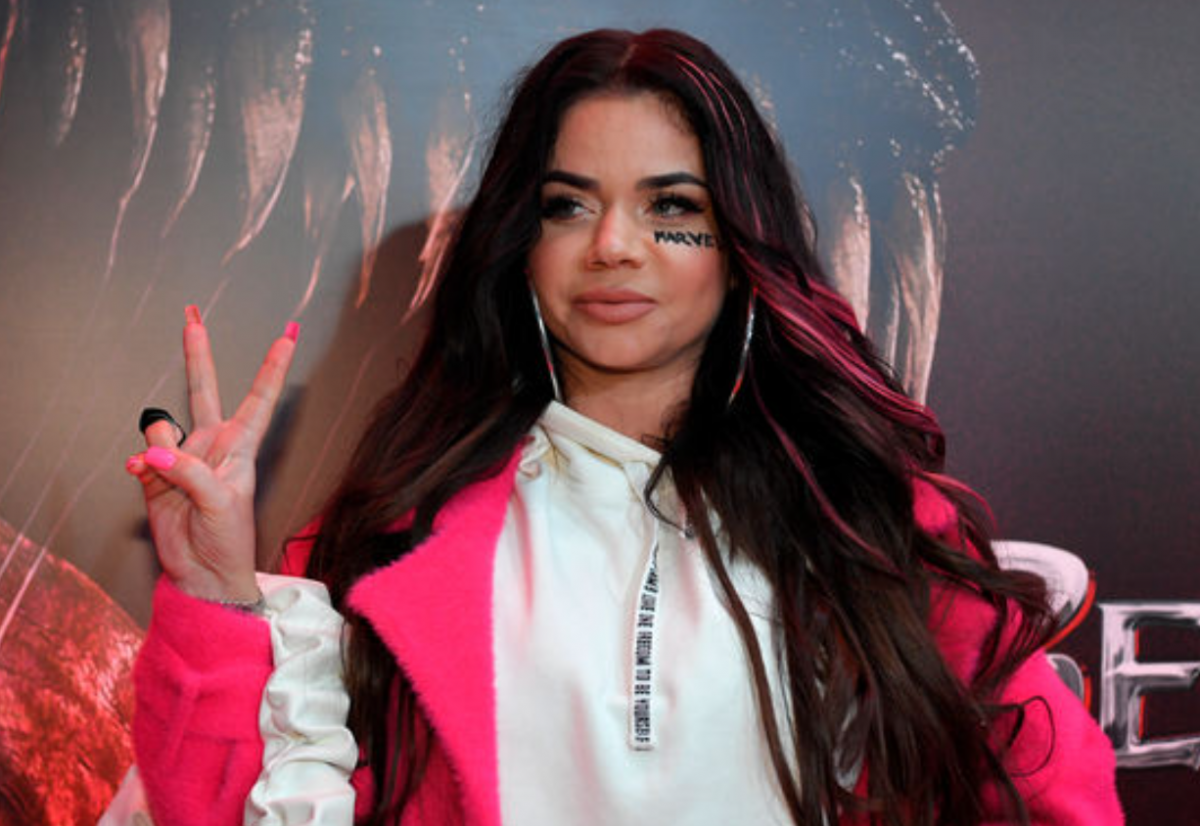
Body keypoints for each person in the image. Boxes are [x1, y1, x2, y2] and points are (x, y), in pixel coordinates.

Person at [124, 28, 1123, 826]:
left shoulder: (867, 525)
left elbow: (1059, 799)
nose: (612, 245)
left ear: (738, 243)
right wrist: (212, 593)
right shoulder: (389, 537)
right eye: (568, 205)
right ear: (522, 243)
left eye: (669, 206)